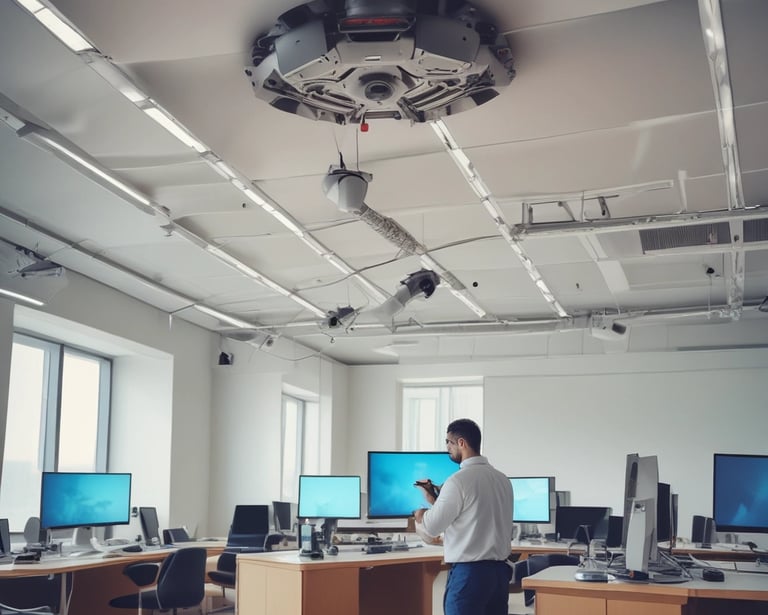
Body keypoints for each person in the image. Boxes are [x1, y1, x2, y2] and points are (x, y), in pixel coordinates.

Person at [413, 418, 514, 615]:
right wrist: (437, 502)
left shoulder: (458, 481)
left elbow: (432, 527)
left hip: (470, 575)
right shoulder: (503, 480)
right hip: (499, 575)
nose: (447, 449)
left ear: (461, 443)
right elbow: (474, 516)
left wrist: (421, 514)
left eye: (448, 443)